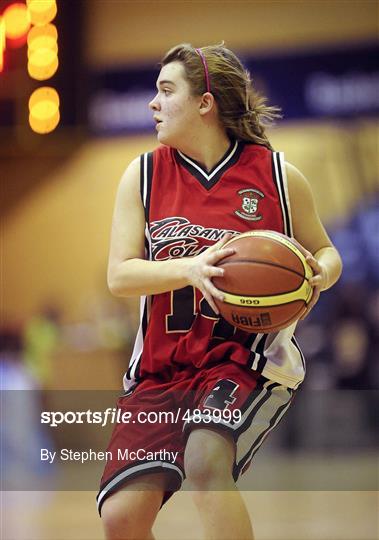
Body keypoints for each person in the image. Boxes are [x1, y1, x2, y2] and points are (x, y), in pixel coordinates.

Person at [97, 43, 342, 540]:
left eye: (166, 91)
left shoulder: (276, 175)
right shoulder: (143, 176)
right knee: (121, 518)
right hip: (161, 370)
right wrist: (191, 269)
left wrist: (319, 273)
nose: (153, 103)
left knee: (206, 460)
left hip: (241, 360)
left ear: (204, 103)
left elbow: (326, 250)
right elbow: (119, 275)